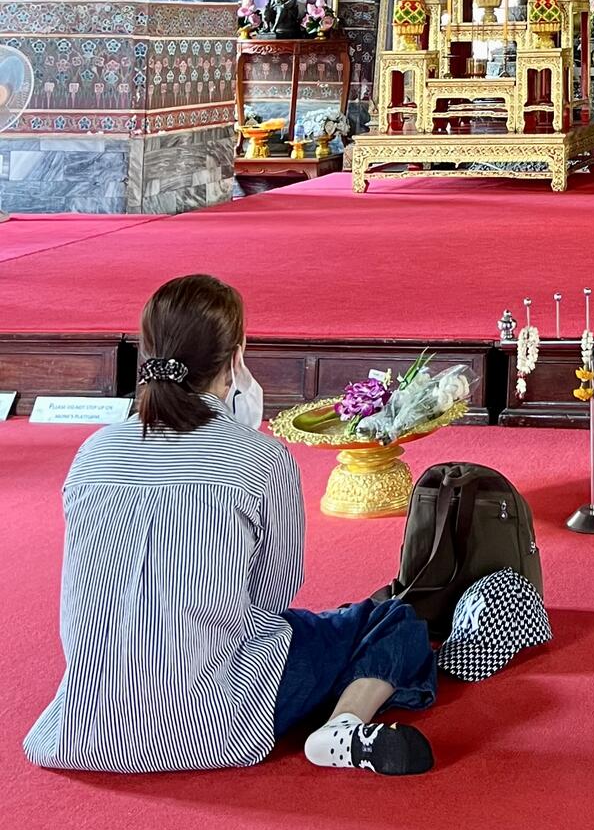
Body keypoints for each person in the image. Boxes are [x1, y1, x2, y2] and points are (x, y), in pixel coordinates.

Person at [25, 274, 438, 777]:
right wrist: (245, 436)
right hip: (211, 724)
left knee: (324, 627)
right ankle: (343, 725)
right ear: (236, 358)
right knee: (389, 621)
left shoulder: (93, 453)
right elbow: (272, 597)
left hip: (83, 725)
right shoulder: (259, 457)